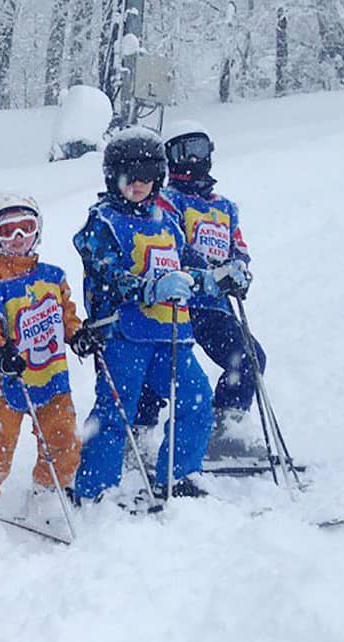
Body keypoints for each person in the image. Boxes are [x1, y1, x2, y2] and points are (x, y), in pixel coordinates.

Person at [71, 126, 225, 504]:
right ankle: (95, 487)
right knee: (115, 410)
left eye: (146, 179)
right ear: (113, 177)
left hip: (172, 333)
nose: (137, 186)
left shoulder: (167, 222)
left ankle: (180, 472)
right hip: (124, 334)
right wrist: (146, 287)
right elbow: (105, 273)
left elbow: (189, 266)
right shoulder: (102, 222)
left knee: (196, 398)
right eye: (128, 178)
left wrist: (220, 278)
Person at [0, 193, 89, 536]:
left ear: (38, 231)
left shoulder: (52, 276)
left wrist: (77, 335)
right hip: (5, 378)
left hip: (49, 372)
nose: (17, 239)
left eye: (25, 228)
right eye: (8, 230)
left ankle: (47, 494)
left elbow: (66, 315)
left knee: (64, 437)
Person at [130, 121, 261, 461]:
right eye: (181, 152)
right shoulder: (168, 201)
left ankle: (226, 424)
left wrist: (239, 271)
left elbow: (238, 247)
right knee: (159, 368)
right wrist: (208, 272)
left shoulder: (224, 208)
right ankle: (139, 433)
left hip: (215, 308)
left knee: (249, 357)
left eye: (198, 150)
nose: (190, 160)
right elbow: (175, 245)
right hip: (179, 305)